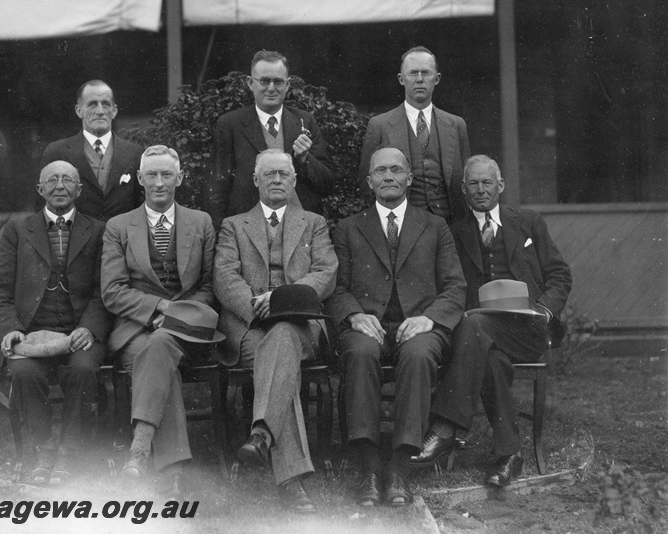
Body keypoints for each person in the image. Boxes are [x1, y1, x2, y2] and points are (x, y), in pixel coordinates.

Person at [411, 155, 572, 487]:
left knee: (475, 330)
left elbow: (559, 275)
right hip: (478, 333)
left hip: (527, 329)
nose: (481, 189)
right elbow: (448, 285)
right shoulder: (453, 232)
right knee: (491, 358)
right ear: (463, 189)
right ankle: (509, 455)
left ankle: (444, 428)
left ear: (501, 185)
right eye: (473, 183)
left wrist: (543, 310)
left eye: (487, 182)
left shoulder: (528, 222)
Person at [327, 146, 466, 507]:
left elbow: (455, 286)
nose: (388, 176)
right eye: (380, 171)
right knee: (358, 352)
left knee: (419, 356)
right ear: (370, 180)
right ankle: (370, 467)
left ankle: (401, 466)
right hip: (367, 323)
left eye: (396, 170)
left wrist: (429, 318)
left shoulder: (435, 226)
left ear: (409, 178)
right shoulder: (348, 227)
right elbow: (335, 287)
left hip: (419, 325)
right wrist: (354, 315)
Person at [213, 148, 338, 513]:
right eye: (269, 174)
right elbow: (224, 277)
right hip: (250, 329)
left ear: (295, 179)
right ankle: (290, 478)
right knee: (279, 360)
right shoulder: (233, 225)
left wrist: (281, 300)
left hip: (301, 328)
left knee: (282, 337)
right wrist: (256, 305)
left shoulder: (314, 223)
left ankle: (262, 435)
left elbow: (325, 272)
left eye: (284, 174)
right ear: (255, 181)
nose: (278, 180)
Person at [0, 160, 111, 485]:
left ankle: (68, 453)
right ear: (40, 189)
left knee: (83, 370)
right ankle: (44, 448)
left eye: (67, 180)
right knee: (24, 371)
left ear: (79, 190)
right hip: (31, 335)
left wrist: (90, 328)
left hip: (79, 334)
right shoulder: (17, 230)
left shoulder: (97, 230)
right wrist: (10, 329)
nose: (59, 186)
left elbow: (104, 290)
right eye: (51, 180)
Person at [100, 145, 217, 499]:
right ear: (139, 179)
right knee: (159, 349)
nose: (160, 182)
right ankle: (173, 473)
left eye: (167, 174)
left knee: (162, 344)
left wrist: (176, 315)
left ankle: (139, 450)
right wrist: (157, 309)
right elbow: (113, 291)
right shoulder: (118, 227)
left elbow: (210, 286)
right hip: (136, 329)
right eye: (151, 174)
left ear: (180, 178)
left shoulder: (201, 222)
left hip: (190, 330)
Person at [207, 50, 335, 230]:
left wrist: (305, 160)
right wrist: (225, 235)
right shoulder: (230, 125)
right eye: (265, 81)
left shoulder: (305, 121)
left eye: (278, 81)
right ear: (250, 83)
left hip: (300, 229)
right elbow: (217, 190)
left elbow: (328, 183)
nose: (271, 88)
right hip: (248, 231)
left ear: (288, 84)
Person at [359, 46, 470, 224]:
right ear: (401, 79)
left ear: (437, 78)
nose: (419, 79)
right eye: (413, 73)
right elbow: (367, 185)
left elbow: (465, 182)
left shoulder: (456, 125)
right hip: (401, 225)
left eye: (425, 73)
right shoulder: (380, 125)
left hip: (449, 224)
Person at [42, 80, 143, 222]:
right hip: (75, 240)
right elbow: (44, 207)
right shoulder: (57, 152)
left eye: (106, 104)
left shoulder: (135, 153)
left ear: (114, 111)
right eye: (92, 104)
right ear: (79, 110)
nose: (100, 111)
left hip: (121, 241)